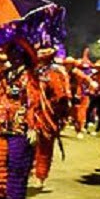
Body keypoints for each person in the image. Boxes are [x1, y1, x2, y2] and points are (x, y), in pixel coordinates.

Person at [0, 39, 55, 199]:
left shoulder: (32, 77)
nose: (13, 56)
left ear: (24, 56)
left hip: (21, 128)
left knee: (17, 168)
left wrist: (34, 126)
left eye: (17, 53)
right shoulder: (2, 74)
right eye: (11, 52)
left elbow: (36, 103)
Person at [33, 47, 70, 190]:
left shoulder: (55, 72)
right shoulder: (32, 69)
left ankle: (40, 175)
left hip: (46, 115)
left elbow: (61, 96)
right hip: (28, 113)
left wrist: (58, 113)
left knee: (44, 147)